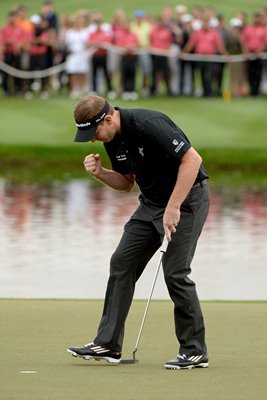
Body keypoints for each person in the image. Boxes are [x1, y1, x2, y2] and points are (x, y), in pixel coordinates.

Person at [67, 95, 210, 370]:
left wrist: (174, 206)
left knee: (175, 272)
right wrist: (100, 173)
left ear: (108, 119)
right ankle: (108, 343)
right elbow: (127, 183)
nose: (94, 139)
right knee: (122, 262)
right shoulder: (113, 138)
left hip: (187, 200)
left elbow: (192, 160)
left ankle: (194, 351)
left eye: (94, 132)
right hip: (151, 204)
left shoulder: (149, 123)